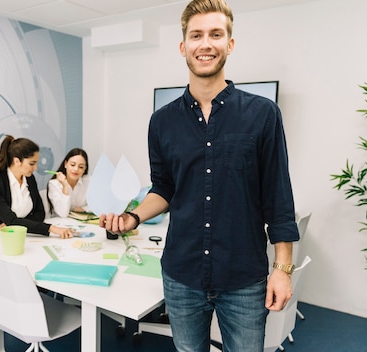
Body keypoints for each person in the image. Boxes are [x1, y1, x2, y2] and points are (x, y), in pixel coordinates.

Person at [99, 1, 299, 351]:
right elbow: (164, 189)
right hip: (182, 275)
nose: (205, 44)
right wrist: (132, 217)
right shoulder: (162, 122)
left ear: (230, 44)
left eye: (215, 34)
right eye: (196, 35)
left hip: (243, 278)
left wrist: (282, 269)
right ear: (183, 47)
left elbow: (278, 197)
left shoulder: (263, 114)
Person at [0, 135, 74, 239]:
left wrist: (17, 224)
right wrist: (51, 228)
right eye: (32, 163)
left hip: (25, 236)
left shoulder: (30, 179)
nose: (35, 168)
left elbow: (40, 214)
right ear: (17, 161)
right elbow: (11, 220)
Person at [46, 148, 91, 218]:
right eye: (72, 165)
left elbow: (97, 204)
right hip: (60, 223)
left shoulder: (89, 181)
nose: (76, 169)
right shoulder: (54, 184)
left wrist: (84, 209)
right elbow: (63, 213)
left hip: (81, 221)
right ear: (66, 164)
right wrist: (65, 185)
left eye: (81, 167)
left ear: (85, 168)